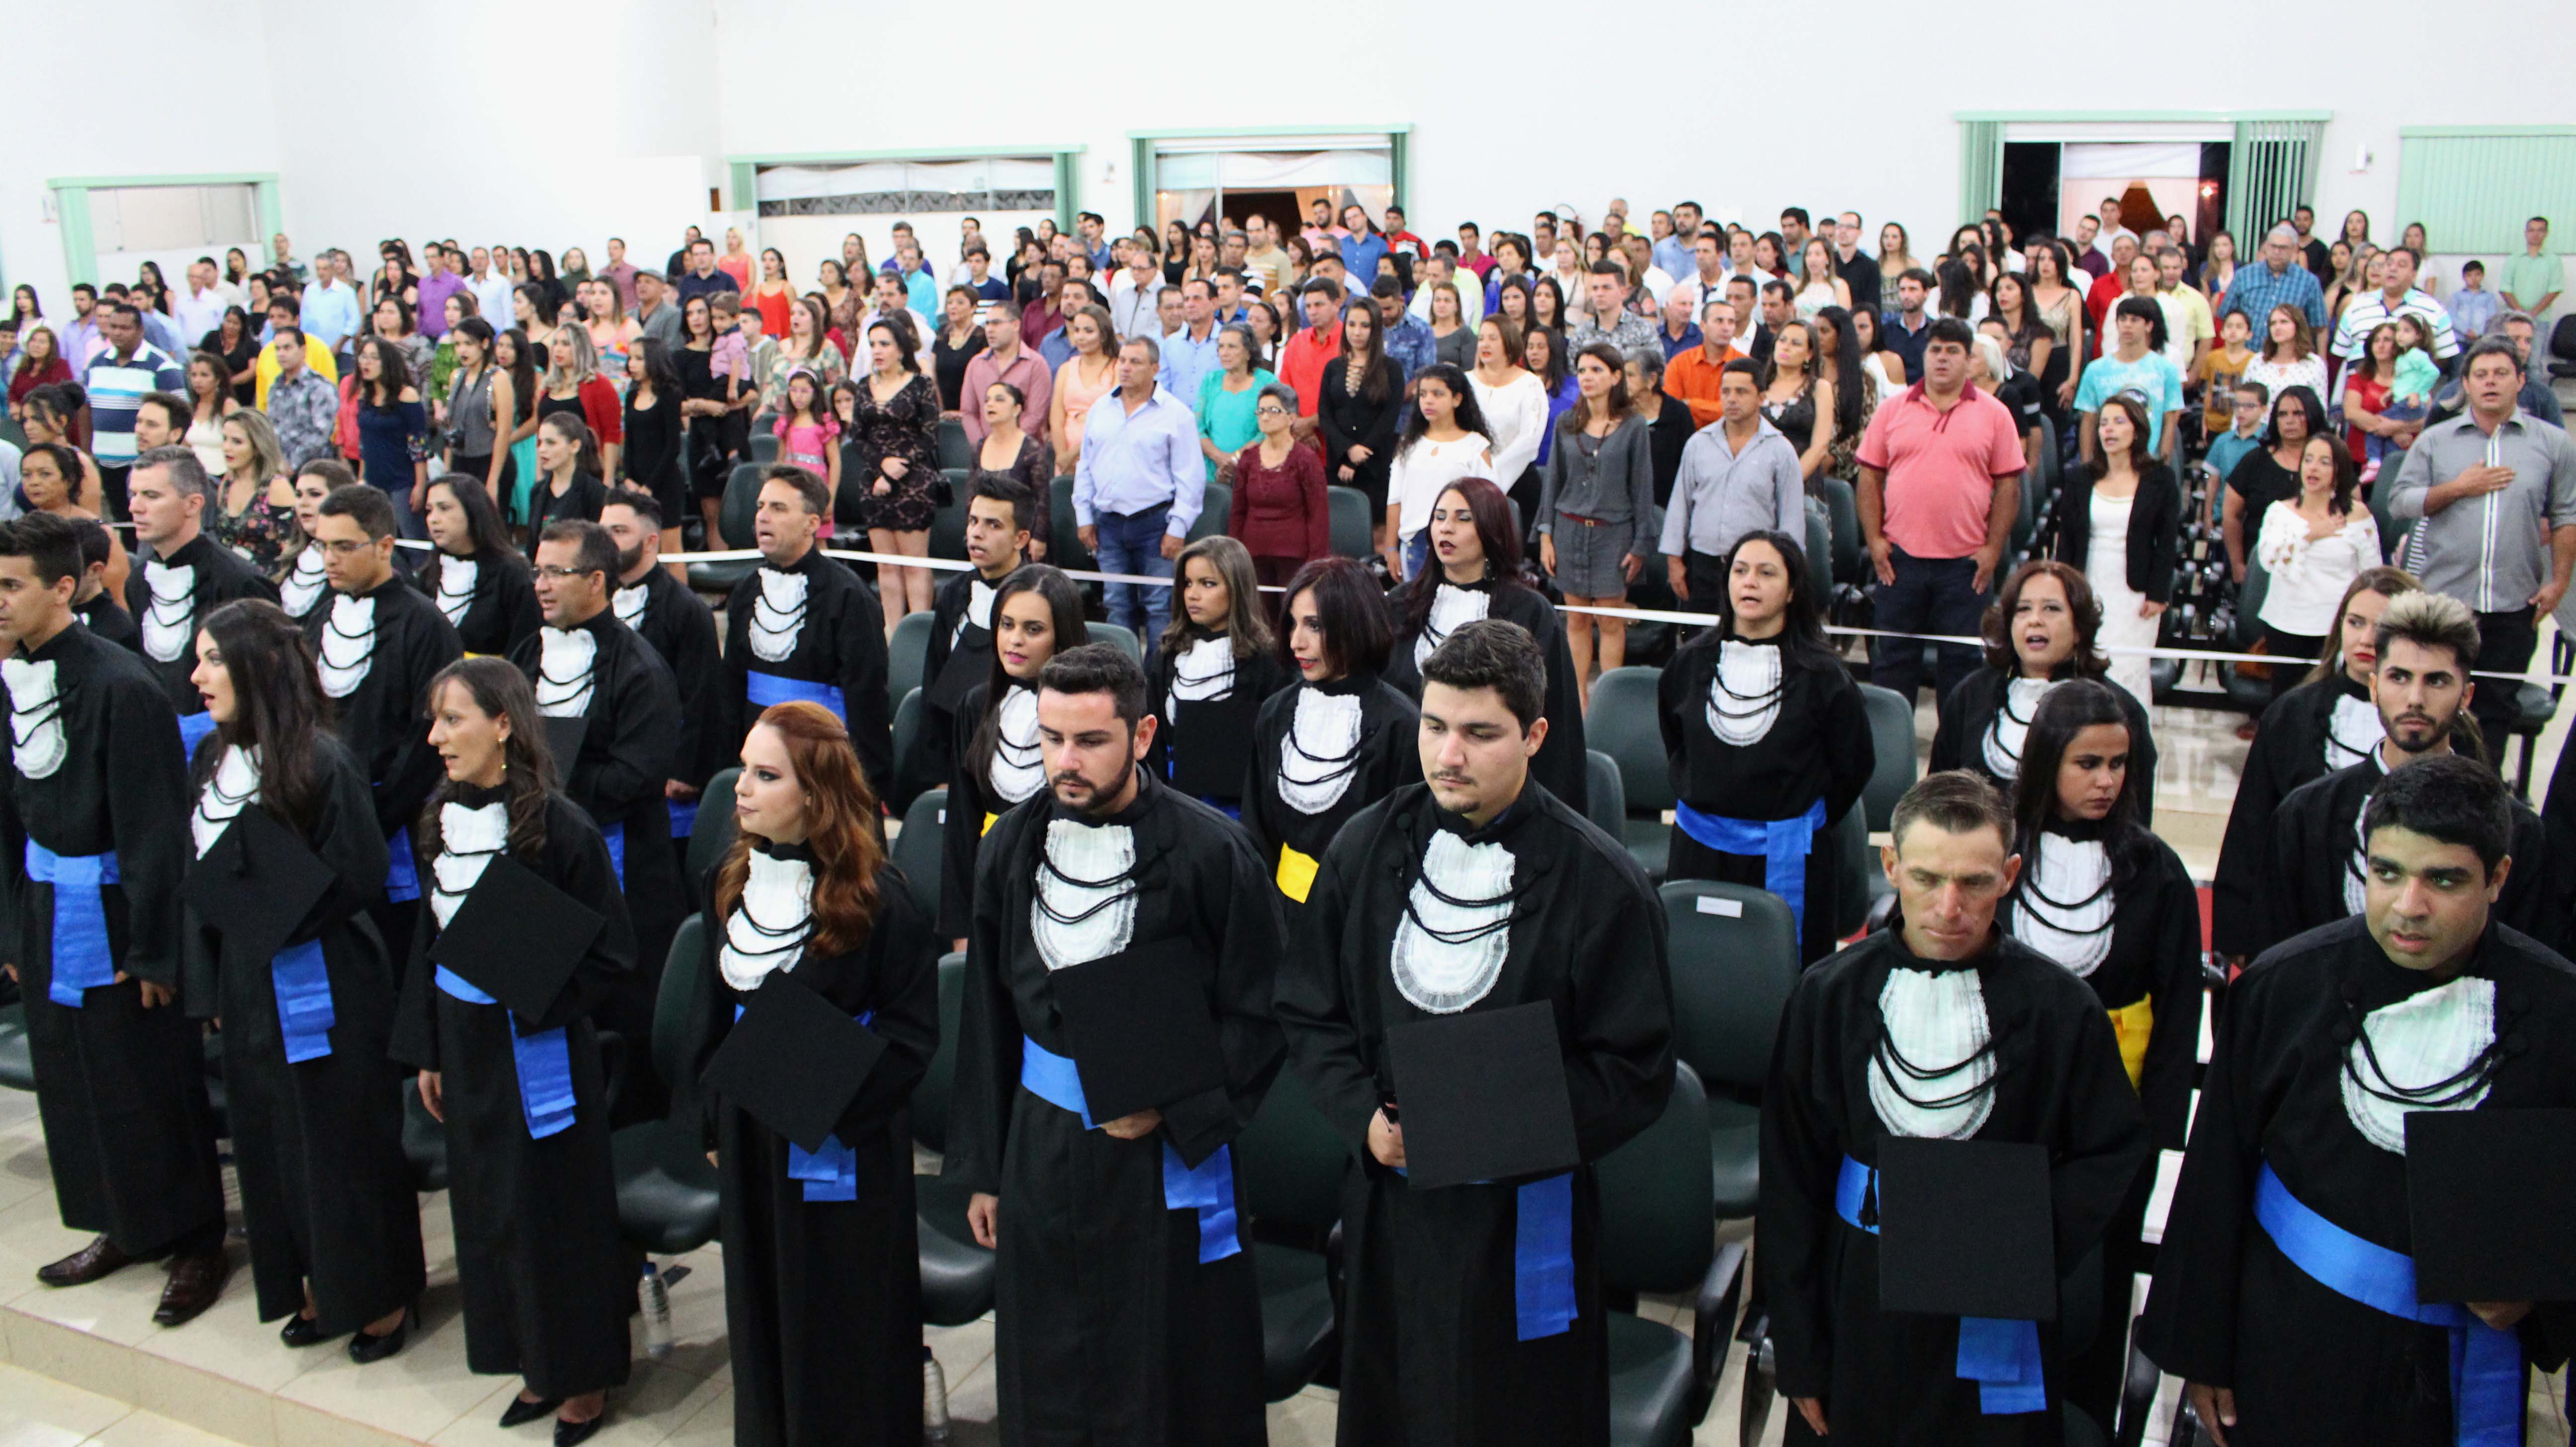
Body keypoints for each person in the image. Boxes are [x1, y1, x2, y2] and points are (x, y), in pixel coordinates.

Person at [1272, 614, 1671, 1447]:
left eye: (1478, 733)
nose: (1446, 755)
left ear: (1533, 734)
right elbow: (1311, 1012)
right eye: (1433, 726)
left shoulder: (1602, 882)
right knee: (1396, 1402)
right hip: (1392, 1206)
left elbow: (1633, 1073)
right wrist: (1362, 1119)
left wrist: (1485, 1125)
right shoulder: (1360, 846)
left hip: (1524, 1220)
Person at [2147, 750, 2576, 1447]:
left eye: (2444, 880)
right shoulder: (2282, 989)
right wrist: (2202, 1351)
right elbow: (2216, 1178)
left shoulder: (2559, 1013)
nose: (2410, 907)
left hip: (2455, 1367)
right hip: (2291, 1335)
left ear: (2498, 877)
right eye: (2388, 873)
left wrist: (2543, 1293)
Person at [946, 642, 1284, 1447]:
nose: (1064, 760)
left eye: (1089, 740)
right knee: (1051, 1358)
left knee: (1168, 1367)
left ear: (1140, 735)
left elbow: (1263, 1013)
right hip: (1041, 1144)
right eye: (1049, 739)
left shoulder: (1211, 852)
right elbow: (987, 1017)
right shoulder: (1010, 846)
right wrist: (984, 1169)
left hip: (1163, 1156)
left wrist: (1177, 1104)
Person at [1760, 769, 2150, 1445]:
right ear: (1891, 866)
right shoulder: (1828, 997)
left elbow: (2110, 1150)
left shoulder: (2061, 1010)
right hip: (1860, 1288)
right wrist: (1798, 1348)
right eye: (1927, 879)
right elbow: (1791, 1181)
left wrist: (2015, 1234)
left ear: (2010, 874)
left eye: (1974, 883)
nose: (1949, 908)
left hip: (1996, 1297)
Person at [390, 658, 633, 1444]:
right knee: (490, 1205)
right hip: (465, 1044)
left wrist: (529, 989)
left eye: (452, 720)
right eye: (433, 721)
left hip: (540, 1044)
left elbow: (612, 955)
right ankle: (529, 1358)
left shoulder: (560, 829)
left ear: (504, 725)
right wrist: (429, 1046)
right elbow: (432, 936)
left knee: (554, 1211)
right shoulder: (437, 818)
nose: (436, 739)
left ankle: (582, 1373)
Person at [687, 694, 937, 1447]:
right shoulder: (725, 881)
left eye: (766, 776)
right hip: (750, 1125)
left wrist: (804, 1091)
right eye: (743, 771)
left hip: (843, 1140)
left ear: (816, 796)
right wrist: (713, 1114)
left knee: (842, 1315)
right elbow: (709, 1009)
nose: (741, 789)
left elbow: (911, 1038)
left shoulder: (882, 901)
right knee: (761, 1299)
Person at [0, 510, 232, 1324]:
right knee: (73, 1078)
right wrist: (13, 932)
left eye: (10, 586)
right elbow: (7, 817)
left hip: (116, 914)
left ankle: (196, 1238)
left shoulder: (120, 685)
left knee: (146, 1079)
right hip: (44, 905)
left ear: (64, 588)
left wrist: (155, 951)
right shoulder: (13, 676)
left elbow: (156, 838)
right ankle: (122, 1222)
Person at [182, 597, 424, 1359]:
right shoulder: (211, 758)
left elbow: (360, 869)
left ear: (257, 669)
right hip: (251, 976)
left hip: (325, 972)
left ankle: (379, 1296)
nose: (197, 676)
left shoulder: (323, 759)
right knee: (272, 1136)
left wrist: (275, 910)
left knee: (340, 1141)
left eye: (213, 660)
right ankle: (314, 1281)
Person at [1998, 679, 2203, 1423]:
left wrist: (2152, 1134)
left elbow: (2182, 1014)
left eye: (2119, 764)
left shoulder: (2157, 872)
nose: (2107, 781)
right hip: (2008, 1104)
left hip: (2112, 1125)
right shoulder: (2001, 853)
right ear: (2047, 760)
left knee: (2099, 1278)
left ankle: (2083, 1417)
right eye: (2088, 762)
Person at [2259, 591, 2556, 960]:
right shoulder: (2305, 816)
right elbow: (2281, 962)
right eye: (2399, 677)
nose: (2415, 698)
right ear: (2374, 687)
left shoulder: (2519, 833)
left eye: (2436, 681)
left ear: (2466, 695)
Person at [510, 519, 683, 1099]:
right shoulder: (527, 651)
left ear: (597, 581)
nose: (542, 584)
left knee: (617, 1002)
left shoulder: (640, 668)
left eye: (557, 572)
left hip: (622, 859)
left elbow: (636, 776)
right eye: (538, 570)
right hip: (537, 854)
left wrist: (543, 782)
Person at [1659, 527, 1869, 960]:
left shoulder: (1824, 678)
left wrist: (1789, 819)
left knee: (1785, 981)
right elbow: (1678, 745)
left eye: (1766, 573)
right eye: (1740, 571)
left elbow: (1853, 766)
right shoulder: (1688, 664)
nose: (1749, 582)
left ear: (1793, 591)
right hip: (1699, 852)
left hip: (1790, 858)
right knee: (1699, 969)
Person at [2211, 566, 2415, 965]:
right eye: (2356, 622)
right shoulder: (2293, 714)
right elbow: (2251, 826)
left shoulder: (2431, 728)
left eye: (2384, 626)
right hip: (2295, 918)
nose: (2367, 639)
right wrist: (2235, 929)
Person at [2387, 335, 2576, 747]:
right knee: (2435, 708)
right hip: (2447, 604)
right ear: (2466, 385)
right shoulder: (2437, 440)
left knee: (2494, 715)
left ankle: (2480, 799)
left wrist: (2559, 582)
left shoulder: (2553, 444)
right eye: (2481, 375)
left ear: (2521, 381)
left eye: (2501, 374)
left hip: (2514, 606)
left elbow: (2566, 515)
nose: (2491, 383)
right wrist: (2457, 488)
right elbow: (2400, 501)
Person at [1859, 318, 2028, 713]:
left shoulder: (1995, 413)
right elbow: (1869, 478)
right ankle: (1890, 758)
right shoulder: (1892, 410)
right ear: (1925, 354)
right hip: (1899, 563)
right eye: (1936, 349)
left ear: (1970, 361)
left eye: (1954, 351)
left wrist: (1992, 550)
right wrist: (1875, 540)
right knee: (1893, 666)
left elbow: (2009, 487)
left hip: (1966, 566)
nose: (1943, 358)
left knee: (1964, 670)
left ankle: (1958, 767)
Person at [1244, 557, 1422, 908]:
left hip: (1362, 916)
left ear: (1354, 624)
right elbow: (1256, 827)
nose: (1296, 642)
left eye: (1314, 626)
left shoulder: (1401, 724)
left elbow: (1405, 843)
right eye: (1293, 624)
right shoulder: (1276, 712)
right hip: (1282, 914)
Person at [1932, 560, 2159, 818]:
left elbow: (2135, 819)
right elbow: (1938, 797)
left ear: (2079, 629)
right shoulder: (1972, 695)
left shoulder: (2118, 709)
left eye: (2052, 609)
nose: (2035, 620)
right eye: (2023, 609)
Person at [938, 563, 1089, 942]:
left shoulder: (1092, 712)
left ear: (1062, 635)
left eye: (1033, 629)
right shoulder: (976, 706)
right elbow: (960, 826)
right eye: (1006, 625)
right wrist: (962, 931)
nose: (1014, 640)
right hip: (994, 888)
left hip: (1072, 889)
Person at [723, 466, 892, 797]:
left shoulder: (849, 597)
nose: (763, 517)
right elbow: (730, 687)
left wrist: (867, 785)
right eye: (761, 507)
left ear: (812, 524)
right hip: (757, 763)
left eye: (779, 508)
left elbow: (867, 699)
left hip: (823, 768)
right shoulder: (746, 591)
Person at [120, 447, 279, 746]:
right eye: (134, 495)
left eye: (151, 496)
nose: (135, 508)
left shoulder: (240, 581)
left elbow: (265, 681)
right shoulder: (139, 581)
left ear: (193, 504)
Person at [1149, 535, 1293, 816]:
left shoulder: (1266, 662)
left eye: (1208, 584)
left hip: (1238, 806)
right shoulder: (1166, 655)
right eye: (1188, 583)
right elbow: (1151, 731)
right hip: (1170, 797)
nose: (1192, 594)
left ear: (1237, 588)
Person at [1535, 343, 1652, 689]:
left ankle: (1607, 697)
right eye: (1583, 370)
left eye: (1597, 370)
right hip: (1569, 530)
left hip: (1613, 534)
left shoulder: (1634, 426)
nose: (1587, 377)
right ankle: (1580, 703)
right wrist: (1546, 535)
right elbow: (1553, 481)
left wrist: (1641, 542)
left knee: (1611, 621)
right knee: (1577, 620)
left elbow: (1642, 487)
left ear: (1616, 377)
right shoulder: (1567, 423)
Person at [1073, 336, 1200, 654]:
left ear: (1155, 369)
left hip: (1156, 523)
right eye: (1123, 361)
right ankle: (1121, 679)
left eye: (1136, 362)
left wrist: (1178, 528)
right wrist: (1084, 517)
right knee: (1117, 605)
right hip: (1109, 523)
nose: (1126, 368)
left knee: (1160, 608)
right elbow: (1085, 467)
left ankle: (1157, 682)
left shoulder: (1176, 414)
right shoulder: (1101, 409)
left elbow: (1191, 477)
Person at [2049, 396, 2178, 703]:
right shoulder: (2081, 478)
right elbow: (2066, 538)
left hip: (2136, 593)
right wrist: (2061, 591)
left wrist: (2159, 594)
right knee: (2087, 669)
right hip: (2089, 584)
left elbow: (2168, 541)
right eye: (2104, 423)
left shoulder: (2160, 479)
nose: (2109, 430)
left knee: (2128, 671)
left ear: (2138, 430)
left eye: (2119, 422)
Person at [1663, 359, 1806, 610]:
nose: (1731, 399)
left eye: (1741, 392)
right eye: (1726, 392)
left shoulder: (1780, 451)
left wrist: (1788, 572)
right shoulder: (1699, 443)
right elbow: (1680, 506)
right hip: (1703, 564)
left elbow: (1792, 519)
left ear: (1761, 398)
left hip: (1756, 569)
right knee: (1701, 640)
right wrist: (1674, 561)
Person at [2254, 436, 2382, 702]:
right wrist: (2311, 535)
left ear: (2339, 472)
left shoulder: (2358, 516)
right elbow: (2268, 560)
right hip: (2286, 623)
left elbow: (2372, 574)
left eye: (2324, 462)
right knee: (2287, 701)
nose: (2313, 468)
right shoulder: (2279, 513)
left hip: (2335, 629)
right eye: (2309, 460)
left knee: (2330, 700)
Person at [416, 472, 538, 660]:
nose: (433, 519)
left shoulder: (512, 573)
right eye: (429, 510)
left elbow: (525, 647)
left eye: (444, 508)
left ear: (472, 511)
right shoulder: (429, 574)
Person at [81, 304, 185, 519]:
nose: (118, 333)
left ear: (140, 331)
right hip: (107, 464)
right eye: (114, 327)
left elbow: (181, 415)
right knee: (122, 524)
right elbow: (85, 408)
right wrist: (87, 449)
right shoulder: (97, 363)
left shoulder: (161, 366)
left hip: (145, 466)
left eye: (125, 328)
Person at [2222, 384, 2332, 584]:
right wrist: (2238, 565)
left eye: (2298, 413)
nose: (2289, 421)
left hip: (2316, 569)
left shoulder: (2333, 462)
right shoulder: (2255, 460)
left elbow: (2350, 507)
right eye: (2282, 414)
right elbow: (2231, 514)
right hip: (2261, 566)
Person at [1227, 382, 1331, 591]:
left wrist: (1316, 565)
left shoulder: (1306, 460)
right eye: (1261, 411)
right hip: (1252, 556)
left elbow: (1318, 515)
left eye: (1274, 411)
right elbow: (1238, 513)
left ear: (1292, 418)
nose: (1265, 417)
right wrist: (1233, 554)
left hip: (1295, 558)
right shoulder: (1248, 460)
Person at [1320, 297, 1403, 556]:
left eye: (1365, 326)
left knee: (1377, 537)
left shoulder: (1391, 368)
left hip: (1375, 466)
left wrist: (1360, 454)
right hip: (1338, 465)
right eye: (1352, 324)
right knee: (1339, 538)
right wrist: (1347, 451)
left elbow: (1389, 418)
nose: (1357, 332)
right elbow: (1325, 415)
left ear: (1375, 329)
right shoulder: (1334, 367)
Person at [2074, 298, 2185, 468]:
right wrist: (2088, 465)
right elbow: (2088, 420)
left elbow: (2169, 423)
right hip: (2106, 463)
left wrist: (2163, 467)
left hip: (2148, 463)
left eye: (2135, 320)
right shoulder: (2096, 370)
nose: (2127, 325)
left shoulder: (2166, 370)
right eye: (2123, 319)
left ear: (2149, 326)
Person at [210, 410, 302, 578]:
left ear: (258, 447)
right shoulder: (227, 483)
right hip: (228, 580)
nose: (227, 448)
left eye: (237, 442)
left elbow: (291, 551)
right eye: (225, 440)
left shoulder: (277, 488)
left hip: (266, 584)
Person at [2332, 246, 2459, 366]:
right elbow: (2340, 354)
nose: (2392, 269)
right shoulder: (2357, 307)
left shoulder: (2434, 309)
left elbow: (2444, 357)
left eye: (2401, 265)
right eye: (2388, 264)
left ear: (2414, 275)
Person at [1195, 325, 1276, 482]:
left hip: (1255, 473)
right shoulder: (1211, 381)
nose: (1224, 353)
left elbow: (1270, 430)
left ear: (1248, 352)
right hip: (1212, 473)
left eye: (1232, 347)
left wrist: (1236, 460)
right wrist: (1220, 459)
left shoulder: (1267, 383)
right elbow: (1198, 427)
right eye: (1221, 347)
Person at [2500, 215, 2561, 322]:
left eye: (2540, 230)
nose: (2535, 234)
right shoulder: (2513, 258)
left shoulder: (2554, 260)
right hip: (2513, 317)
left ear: (2546, 233)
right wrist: (2520, 312)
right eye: (2531, 230)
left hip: (2540, 319)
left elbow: (2554, 291)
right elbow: (2505, 289)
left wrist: (2533, 313)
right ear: (2526, 233)